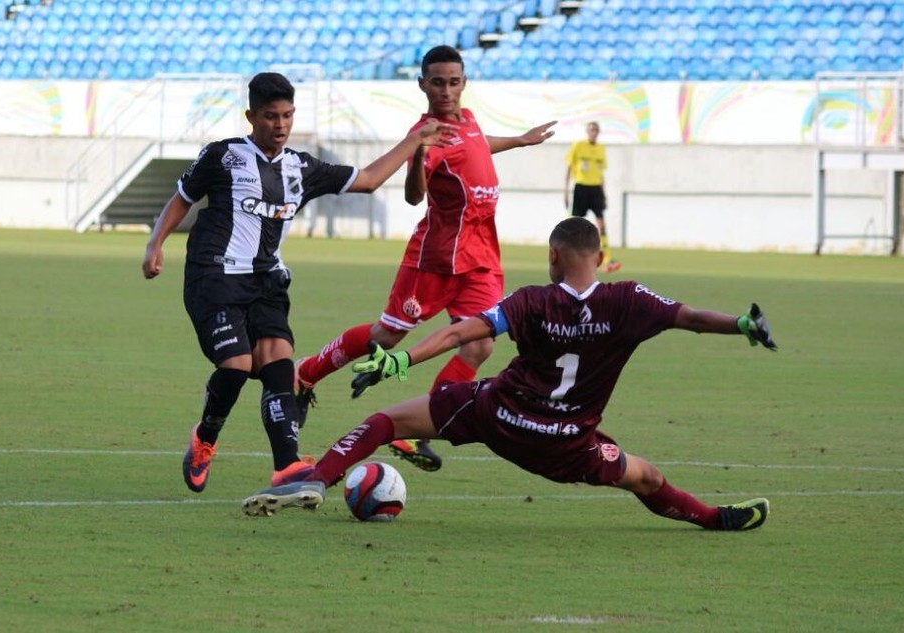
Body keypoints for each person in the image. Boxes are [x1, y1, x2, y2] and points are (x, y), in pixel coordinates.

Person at [242, 217, 778, 531]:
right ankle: (714, 518)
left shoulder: (531, 300)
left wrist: (402, 359)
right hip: (567, 443)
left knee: (384, 422)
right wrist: (742, 324)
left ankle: (316, 479)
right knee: (648, 478)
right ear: (599, 255)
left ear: (553, 255)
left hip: (497, 412)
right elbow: (691, 319)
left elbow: (461, 333)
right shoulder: (630, 300)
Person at [141, 71, 454, 494]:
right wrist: (155, 243)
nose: (281, 125)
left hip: (267, 280)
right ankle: (206, 437)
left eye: (287, 115)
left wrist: (414, 141)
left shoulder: (301, 167)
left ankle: (286, 466)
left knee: (278, 364)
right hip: (214, 275)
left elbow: (368, 179)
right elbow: (183, 197)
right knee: (236, 366)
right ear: (251, 116)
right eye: (271, 116)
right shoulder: (223, 156)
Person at [291, 45, 557, 473]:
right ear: (422, 84)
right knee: (386, 337)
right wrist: (417, 155)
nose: (447, 90)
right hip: (436, 259)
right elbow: (416, 195)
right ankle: (306, 372)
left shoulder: (467, 121)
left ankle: (420, 426)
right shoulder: (426, 133)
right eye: (438, 82)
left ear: (464, 83)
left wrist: (519, 140)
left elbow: (477, 146)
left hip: (481, 258)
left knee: (481, 344)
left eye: (454, 82)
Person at [565, 121, 621, 273]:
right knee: (576, 223)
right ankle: (570, 256)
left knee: (601, 223)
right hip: (581, 187)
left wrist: (604, 193)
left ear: (598, 132)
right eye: (591, 129)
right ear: (587, 131)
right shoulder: (578, 146)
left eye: (595, 130)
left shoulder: (601, 148)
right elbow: (569, 168)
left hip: (596, 188)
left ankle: (608, 259)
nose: (593, 132)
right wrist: (565, 190)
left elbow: (601, 173)